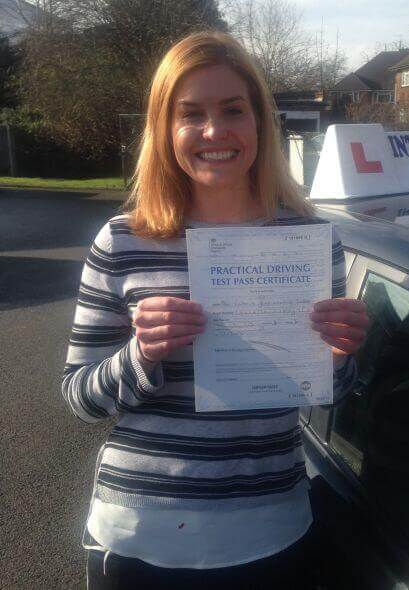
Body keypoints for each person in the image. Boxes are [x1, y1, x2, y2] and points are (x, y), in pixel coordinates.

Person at [62, 31, 370, 590]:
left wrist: (339, 353)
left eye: (233, 109)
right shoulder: (122, 241)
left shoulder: (308, 240)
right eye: (190, 114)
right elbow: (80, 398)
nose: (214, 131)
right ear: (165, 128)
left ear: (259, 121)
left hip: (271, 531)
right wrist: (141, 354)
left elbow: (331, 387)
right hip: (138, 540)